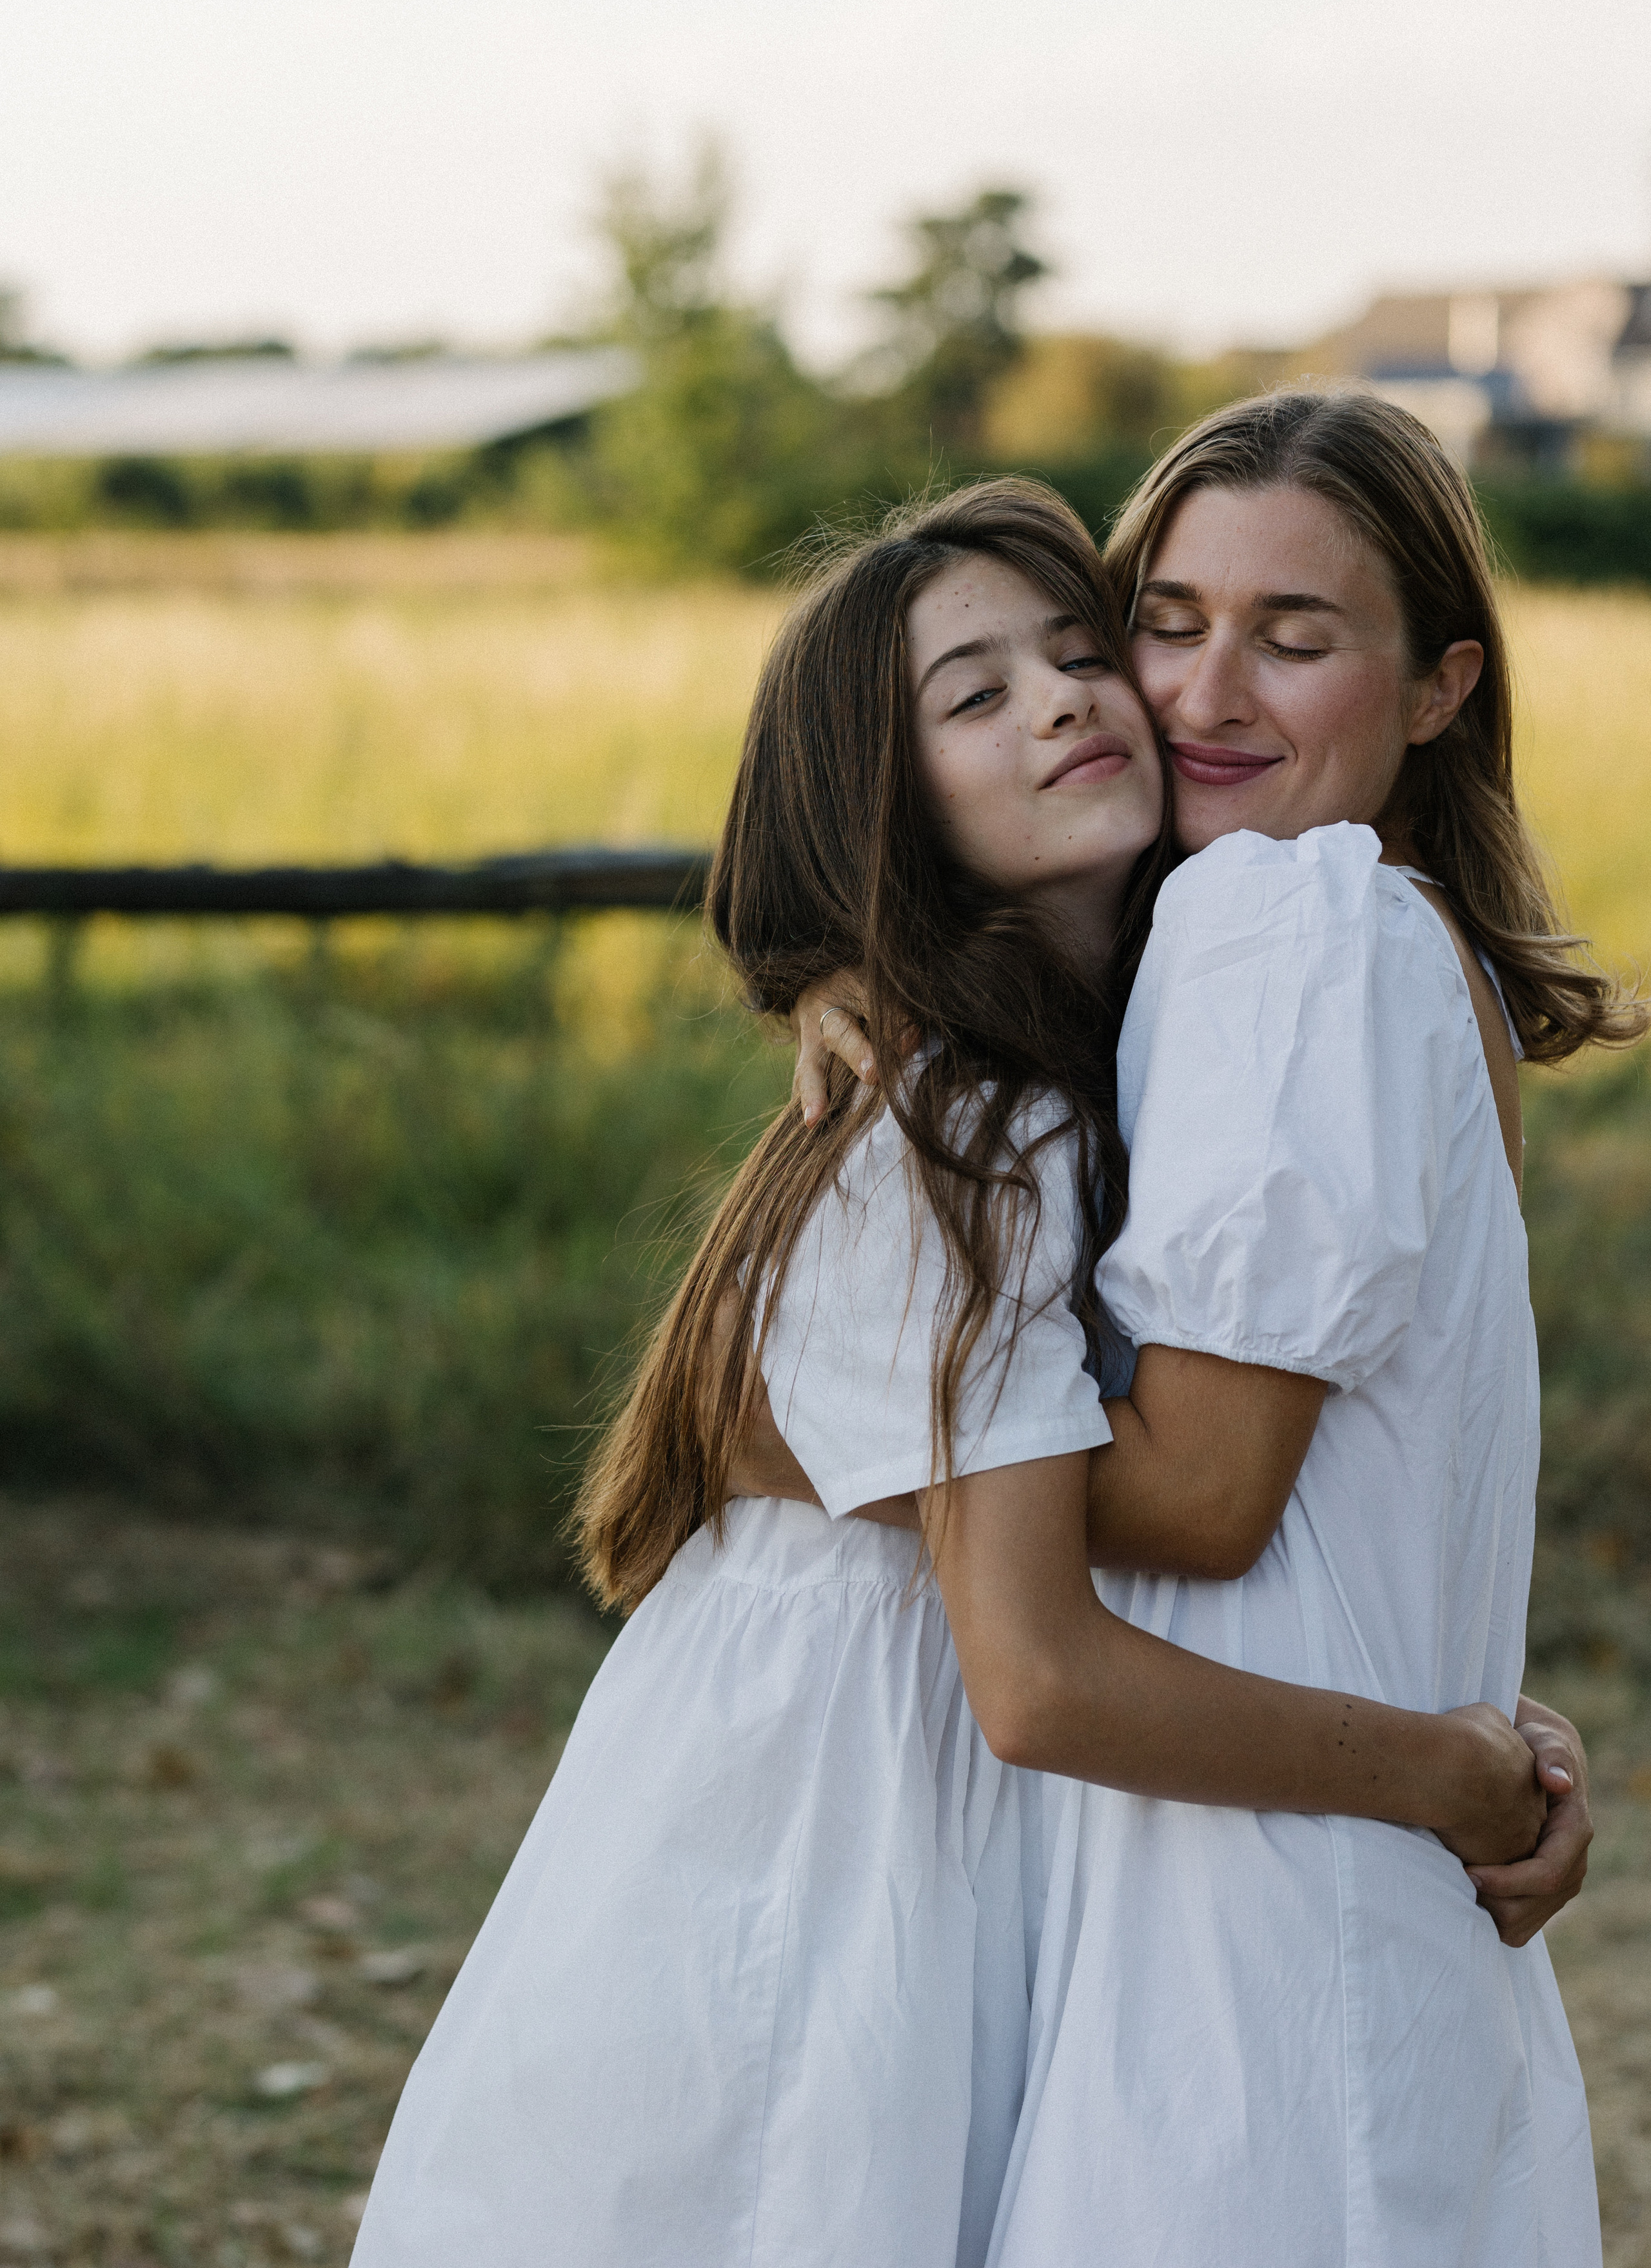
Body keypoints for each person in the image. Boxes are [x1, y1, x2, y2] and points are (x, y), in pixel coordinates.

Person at [349, 478, 1546, 2268]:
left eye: (1079, 652)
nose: (1069, 701)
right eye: (977, 696)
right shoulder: (966, 1127)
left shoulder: (1104, 1070)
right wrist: (1439, 1768)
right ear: (887, 802)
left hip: (953, 1834)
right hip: (818, 1843)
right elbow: (1049, 1666)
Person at [781, 392, 1642, 2265]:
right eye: (1165, 624)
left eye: (1297, 639)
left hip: (1247, 1929)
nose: (1204, 693)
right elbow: (1378, 1492)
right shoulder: (1395, 944)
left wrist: (808, 1431)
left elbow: (1210, 1495)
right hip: (1313, 1856)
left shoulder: (1285, 922)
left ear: (1441, 689)